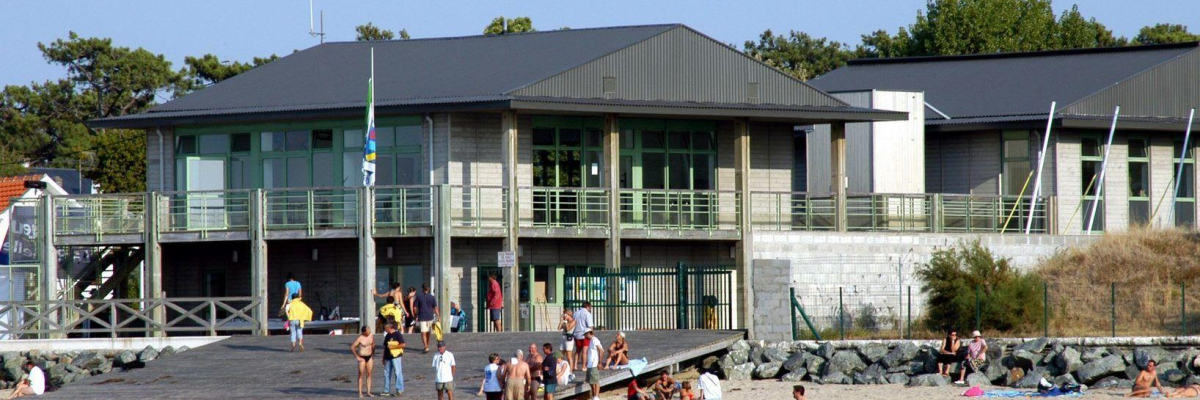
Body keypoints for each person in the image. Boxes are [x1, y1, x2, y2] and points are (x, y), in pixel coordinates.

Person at [381, 322, 406, 397]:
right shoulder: (387, 335)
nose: (385, 330)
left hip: (396, 356)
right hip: (388, 357)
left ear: (390, 327)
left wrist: (394, 347)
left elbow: (403, 344)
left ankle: (399, 389)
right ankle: (386, 390)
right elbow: (385, 347)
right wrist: (383, 358)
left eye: (386, 328)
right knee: (386, 373)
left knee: (397, 372)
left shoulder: (397, 334)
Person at [414, 284, 441, 353]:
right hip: (430, 316)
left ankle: (426, 346)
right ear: (428, 289)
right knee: (428, 332)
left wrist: (416, 315)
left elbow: (415, 308)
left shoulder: (418, 297)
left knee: (423, 332)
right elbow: (435, 308)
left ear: (422, 289)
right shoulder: (432, 297)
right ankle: (427, 345)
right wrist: (438, 316)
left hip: (422, 316)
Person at [351, 326, 376, 398]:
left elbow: (373, 344)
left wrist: (373, 353)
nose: (369, 331)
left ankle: (368, 392)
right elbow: (352, 347)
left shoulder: (371, 335)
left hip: (369, 356)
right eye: (368, 330)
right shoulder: (360, 338)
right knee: (361, 375)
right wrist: (357, 357)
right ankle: (360, 393)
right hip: (362, 357)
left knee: (369, 374)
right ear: (364, 332)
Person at [572, 302, 595, 371]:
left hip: (576, 333)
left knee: (578, 350)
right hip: (585, 334)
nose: (590, 308)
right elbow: (590, 325)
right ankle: (583, 366)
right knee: (585, 351)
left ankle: (575, 366)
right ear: (587, 306)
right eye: (590, 307)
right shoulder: (587, 314)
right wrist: (592, 334)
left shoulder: (575, 313)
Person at [584, 330, 604, 400]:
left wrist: (600, 362)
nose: (585, 336)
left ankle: (596, 396)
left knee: (595, 381)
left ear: (589, 333)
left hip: (594, 364)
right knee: (590, 381)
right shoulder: (591, 341)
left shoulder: (595, 340)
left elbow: (601, 350)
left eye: (586, 334)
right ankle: (594, 395)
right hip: (590, 364)